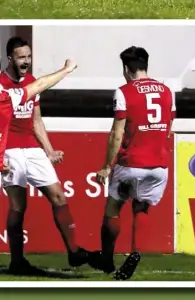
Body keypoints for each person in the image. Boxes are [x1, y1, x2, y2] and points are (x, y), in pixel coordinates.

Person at [0, 38, 92, 276]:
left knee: (58, 195)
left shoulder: (31, 83)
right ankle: (17, 261)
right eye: (21, 57)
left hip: (32, 149)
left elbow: (36, 120)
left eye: (28, 56)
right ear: (10, 58)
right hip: (9, 150)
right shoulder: (2, 86)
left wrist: (49, 150)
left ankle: (74, 251)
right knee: (18, 205)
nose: (26, 61)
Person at [92, 46, 175, 281]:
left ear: (126, 69)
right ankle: (135, 252)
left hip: (131, 164)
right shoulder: (168, 91)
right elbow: (169, 128)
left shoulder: (123, 92)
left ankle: (107, 259)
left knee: (113, 209)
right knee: (142, 207)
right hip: (158, 166)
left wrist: (107, 165)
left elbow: (117, 133)